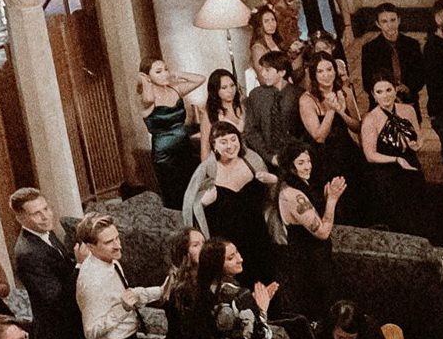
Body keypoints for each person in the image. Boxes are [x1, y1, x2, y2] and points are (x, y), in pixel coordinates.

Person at [181, 123, 277, 287]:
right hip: (229, 247)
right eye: (223, 141)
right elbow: (190, 207)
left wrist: (274, 181)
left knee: (266, 283)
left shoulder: (252, 161)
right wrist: (203, 203)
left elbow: (272, 197)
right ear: (214, 146)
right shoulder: (207, 171)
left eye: (234, 139)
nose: (231, 145)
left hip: (259, 238)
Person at [272, 143, 344, 325]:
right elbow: (323, 232)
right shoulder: (293, 195)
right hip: (307, 264)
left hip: (315, 259)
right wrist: (332, 201)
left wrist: (327, 198)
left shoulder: (300, 186)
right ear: (290, 166)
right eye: (301, 162)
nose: (307, 166)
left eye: (308, 161)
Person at [10, 187, 83, 339]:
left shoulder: (46, 232)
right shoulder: (28, 254)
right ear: (21, 218)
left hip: (73, 324)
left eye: (46, 209)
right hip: (59, 332)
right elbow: (57, 301)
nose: (46, 216)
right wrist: (80, 265)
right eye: (36, 213)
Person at [355, 77, 427, 240]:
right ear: (374, 96)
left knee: (418, 213)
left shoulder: (408, 110)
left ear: (395, 90)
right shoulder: (370, 119)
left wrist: (417, 144)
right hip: (386, 173)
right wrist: (396, 160)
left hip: (410, 166)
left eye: (388, 90)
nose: (385, 96)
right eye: (379, 92)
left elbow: (419, 136)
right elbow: (370, 155)